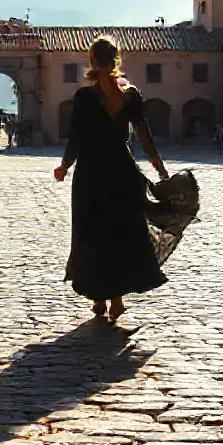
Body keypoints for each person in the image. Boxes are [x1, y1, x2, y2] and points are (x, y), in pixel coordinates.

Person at [54, 35, 169, 323]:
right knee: (122, 233)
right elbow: (144, 136)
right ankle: (117, 300)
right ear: (117, 59)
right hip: (121, 170)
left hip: (91, 173)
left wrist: (64, 166)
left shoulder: (84, 97)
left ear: (91, 61)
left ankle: (99, 299)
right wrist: (159, 167)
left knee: (92, 233)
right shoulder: (131, 94)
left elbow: (76, 139)